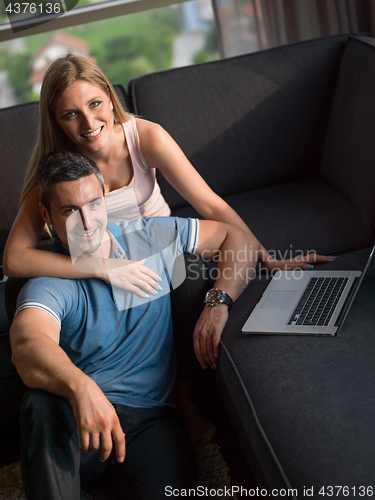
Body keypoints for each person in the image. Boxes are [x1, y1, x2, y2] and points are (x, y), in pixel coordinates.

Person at [3, 54, 333, 443]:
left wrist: (267, 259)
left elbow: (211, 206)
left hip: (157, 248)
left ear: (110, 98)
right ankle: (79, 396)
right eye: (70, 114)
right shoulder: (58, 167)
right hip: (94, 257)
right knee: (18, 290)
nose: (89, 124)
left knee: (185, 274)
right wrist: (103, 269)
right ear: (56, 121)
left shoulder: (144, 137)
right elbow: (13, 258)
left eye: (94, 104)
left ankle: (182, 394)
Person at [10, 150, 262, 499]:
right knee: (39, 403)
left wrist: (218, 302)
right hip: (79, 421)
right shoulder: (50, 281)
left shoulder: (148, 238)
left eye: (93, 204)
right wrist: (82, 388)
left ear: (105, 200)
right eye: (70, 210)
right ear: (47, 216)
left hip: (150, 422)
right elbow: (28, 344)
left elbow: (238, 239)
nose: (87, 222)